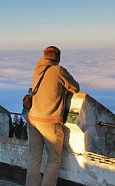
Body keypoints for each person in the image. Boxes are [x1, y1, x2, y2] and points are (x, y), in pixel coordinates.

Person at [26, 46, 79, 186]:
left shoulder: (37, 70)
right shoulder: (58, 70)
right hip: (50, 121)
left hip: (32, 119)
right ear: (58, 57)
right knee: (54, 160)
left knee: (34, 158)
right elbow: (75, 88)